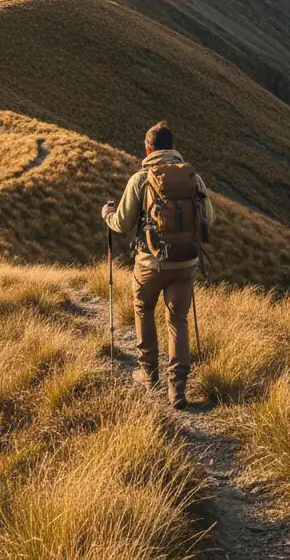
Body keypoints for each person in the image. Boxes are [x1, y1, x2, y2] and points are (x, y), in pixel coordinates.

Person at [102, 121, 214, 408]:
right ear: (173, 148)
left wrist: (107, 214)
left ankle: (149, 374)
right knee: (177, 319)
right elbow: (209, 218)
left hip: (150, 262)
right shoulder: (194, 178)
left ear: (148, 149)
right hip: (185, 262)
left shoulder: (141, 179)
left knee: (144, 309)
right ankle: (178, 388)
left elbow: (122, 224)